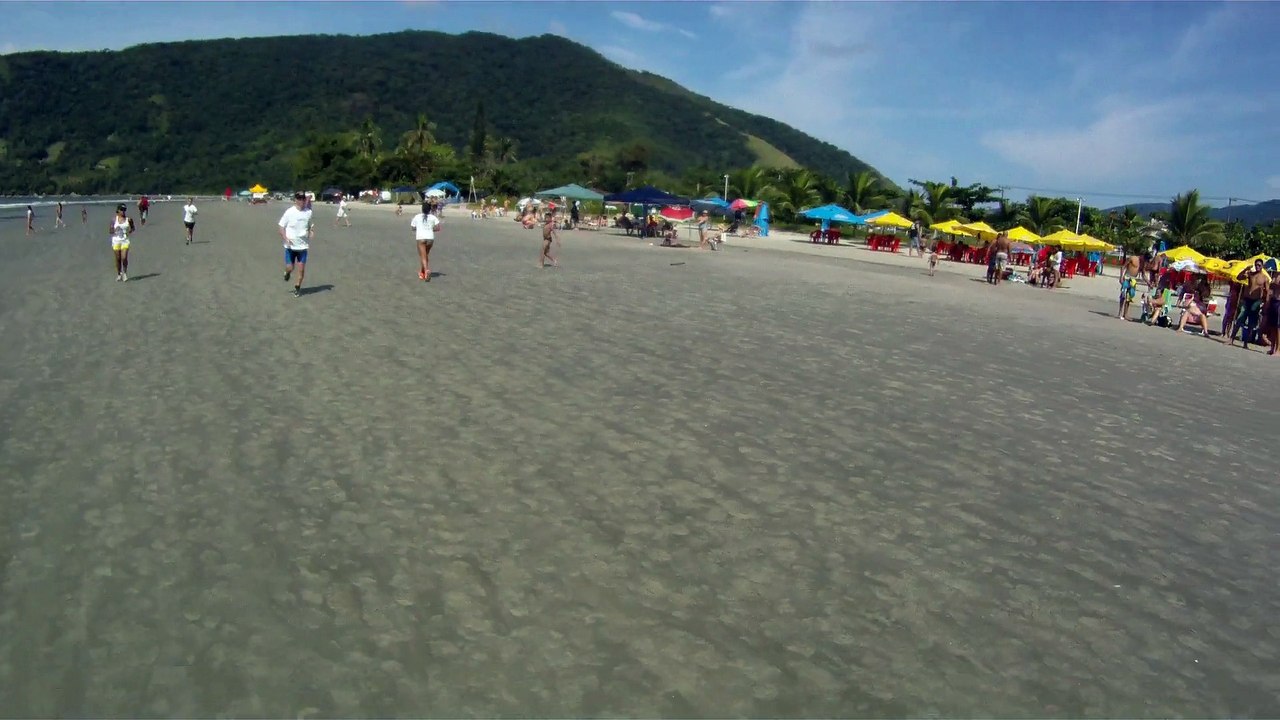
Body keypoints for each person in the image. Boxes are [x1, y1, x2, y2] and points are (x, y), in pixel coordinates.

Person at [278, 192, 314, 298]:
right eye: (299, 198)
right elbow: (281, 227)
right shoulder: (289, 212)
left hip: (302, 246)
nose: (301, 200)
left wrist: (311, 231)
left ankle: (297, 287)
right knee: (290, 267)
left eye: (303, 198)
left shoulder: (308, 212)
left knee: (301, 269)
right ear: (295, 200)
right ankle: (287, 273)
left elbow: (309, 225)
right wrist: (285, 238)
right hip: (290, 246)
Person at [1230, 259, 1269, 348]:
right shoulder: (1250, 274)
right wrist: (1245, 269)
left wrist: (1266, 303)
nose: (1257, 266)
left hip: (1256, 302)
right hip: (1247, 300)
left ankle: (1245, 343)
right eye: (1256, 265)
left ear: (1262, 266)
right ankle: (1231, 339)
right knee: (1240, 319)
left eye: (1259, 265)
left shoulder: (1264, 278)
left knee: (1251, 323)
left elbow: (1267, 291)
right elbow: (1238, 277)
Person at [410, 201, 440, 282]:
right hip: (430, 238)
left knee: (423, 256)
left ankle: (426, 271)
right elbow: (438, 228)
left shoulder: (417, 217)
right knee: (425, 255)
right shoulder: (433, 217)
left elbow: (413, 227)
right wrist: (430, 229)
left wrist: (420, 228)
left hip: (421, 238)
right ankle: (422, 272)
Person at [110, 204, 135, 281]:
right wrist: (115, 229)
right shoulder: (114, 220)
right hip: (116, 240)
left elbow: (133, 228)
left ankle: (125, 273)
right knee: (118, 258)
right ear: (118, 210)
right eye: (121, 210)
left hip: (125, 240)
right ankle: (119, 273)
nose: (123, 212)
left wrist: (129, 232)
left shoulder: (129, 219)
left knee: (124, 258)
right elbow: (110, 231)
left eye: (124, 210)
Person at [1118, 253, 1142, 320]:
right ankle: (1120, 312)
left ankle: (1125, 314)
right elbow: (1123, 267)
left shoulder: (1141, 262)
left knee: (1129, 297)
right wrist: (1121, 277)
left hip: (1133, 280)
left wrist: (1148, 283)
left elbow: (1142, 272)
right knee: (1123, 295)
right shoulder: (1131, 258)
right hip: (1127, 278)